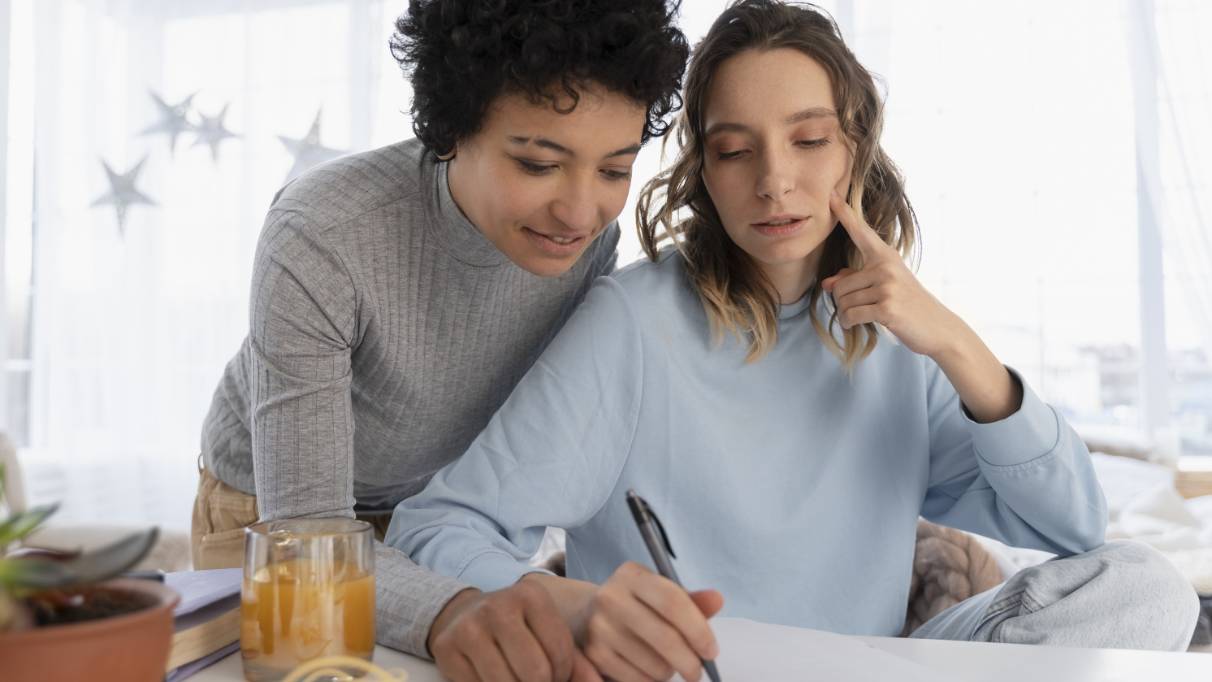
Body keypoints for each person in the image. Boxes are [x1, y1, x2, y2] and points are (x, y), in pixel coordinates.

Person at [388, 1, 1201, 680]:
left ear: (855, 149)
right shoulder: (633, 323)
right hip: (689, 672)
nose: (774, 181)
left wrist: (955, 344)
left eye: (809, 141)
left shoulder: (898, 340)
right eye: (735, 151)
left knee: (1149, 590)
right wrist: (578, 611)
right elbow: (440, 527)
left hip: (872, 670)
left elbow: (1076, 529)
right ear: (703, 173)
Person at [190, 1, 688, 679]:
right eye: (540, 164)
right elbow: (306, 531)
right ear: (453, 129)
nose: (579, 212)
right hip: (275, 518)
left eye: (612, 171)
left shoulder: (589, 243)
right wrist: (449, 610)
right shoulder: (324, 231)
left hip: (437, 520)